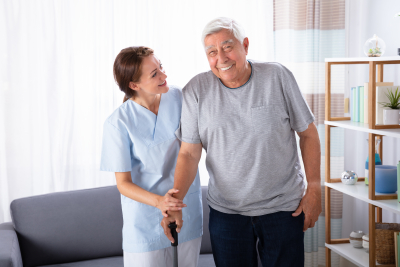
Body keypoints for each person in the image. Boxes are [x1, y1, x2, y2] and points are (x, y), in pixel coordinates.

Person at [161, 17, 322, 267]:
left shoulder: (277, 76)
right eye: (212, 52)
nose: (221, 58)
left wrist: (314, 187)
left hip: (283, 209)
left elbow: (309, 134)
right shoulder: (196, 90)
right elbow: (189, 154)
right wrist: (176, 202)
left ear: (245, 45)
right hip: (227, 214)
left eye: (227, 47)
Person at [100, 46, 202, 267]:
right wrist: (161, 203)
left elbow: (193, 149)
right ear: (134, 85)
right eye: (154, 74)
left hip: (185, 211)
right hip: (144, 220)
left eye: (161, 67)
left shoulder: (179, 97)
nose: (164, 76)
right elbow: (123, 184)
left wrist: (174, 204)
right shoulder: (118, 123)